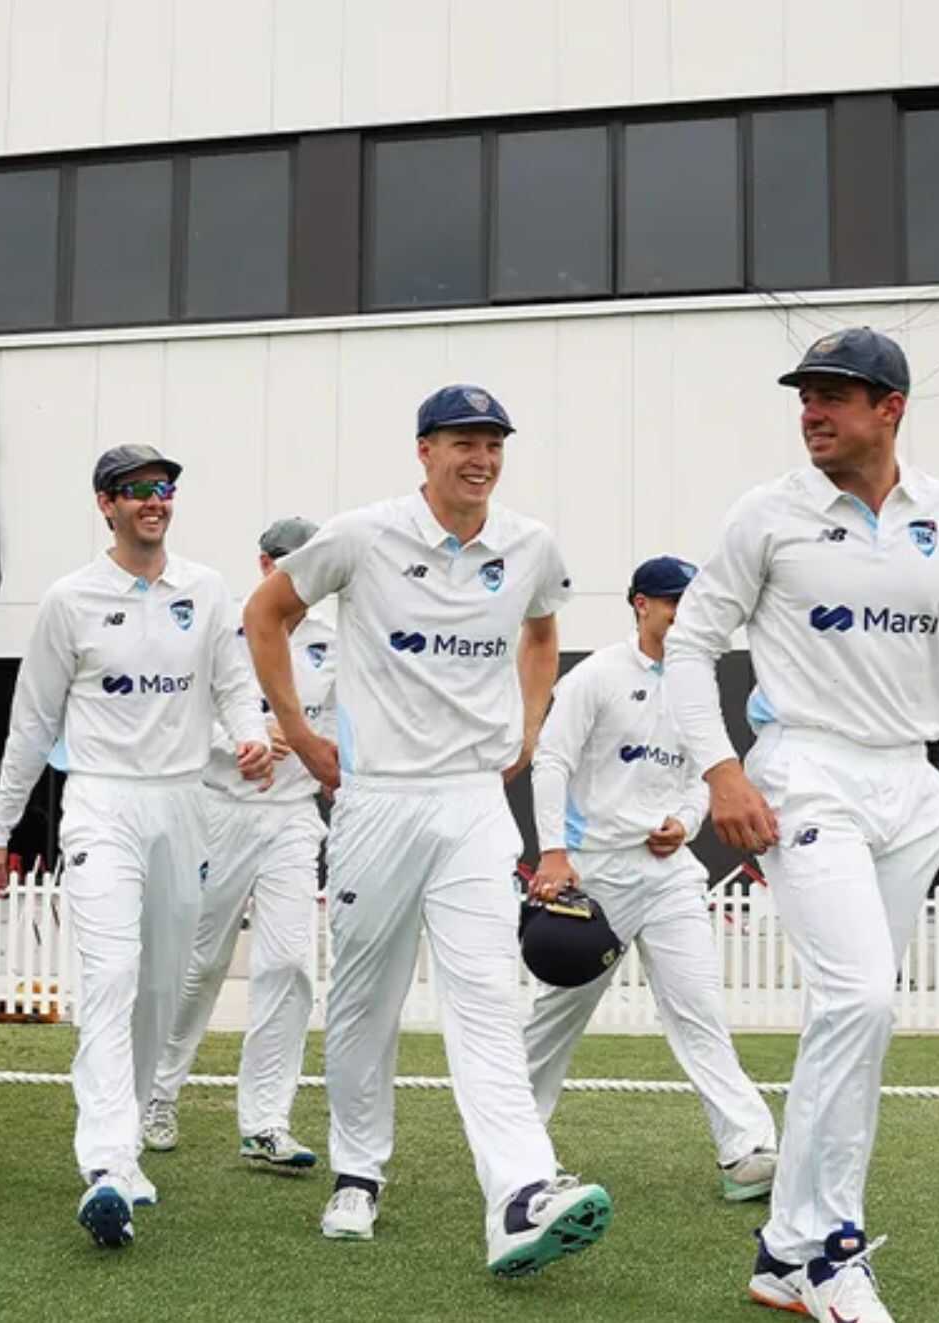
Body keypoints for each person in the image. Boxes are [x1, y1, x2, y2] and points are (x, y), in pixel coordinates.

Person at [242, 384, 611, 1279]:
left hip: (472, 803)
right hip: (377, 798)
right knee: (366, 997)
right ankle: (358, 1171)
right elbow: (266, 615)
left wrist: (528, 725)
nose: (479, 459)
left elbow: (542, 630)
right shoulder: (364, 535)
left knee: (484, 993)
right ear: (424, 451)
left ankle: (520, 1192)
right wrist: (297, 731)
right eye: (462, 443)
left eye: (492, 443)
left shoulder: (527, 545)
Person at [662, 328, 939, 1323]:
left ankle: (785, 1256)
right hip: (806, 772)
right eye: (805, 395)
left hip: (910, 788)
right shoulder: (769, 515)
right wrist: (722, 773)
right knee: (860, 1003)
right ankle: (823, 1250)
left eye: (835, 396)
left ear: (890, 408)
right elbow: (690, 647)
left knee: (852, 1021)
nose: (812, 411)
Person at [0, 443, 271, 1250]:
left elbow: (234, 684)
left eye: (164, 488)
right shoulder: (69, 601)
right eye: (137, 489)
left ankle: (130, 1140)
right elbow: (32, 723)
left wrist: (248, 735)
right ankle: (105, 1162)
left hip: (183, 804)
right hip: (100, 800)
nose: (154, 500)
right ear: (104, 504)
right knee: (109, 975)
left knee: (160, 985)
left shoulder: (205, 589)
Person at [523, 555, 778, 1200]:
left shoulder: (699, 686)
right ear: (641, 603)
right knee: (557, 1019)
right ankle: (515, 1149)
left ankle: (746, 1148)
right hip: (596, 874)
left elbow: (704, 776)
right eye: (673, 603)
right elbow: (551, 760)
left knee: (700, 1009)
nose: (683, 614)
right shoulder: (598, 676)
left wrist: (685, 823)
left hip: (667, 876)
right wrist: (553, 853)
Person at [143, 516, 335, 1170]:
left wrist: (315, 751)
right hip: (219, 809)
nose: (302, 578)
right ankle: (156, 1092)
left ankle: (266, 1120)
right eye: (289, 563)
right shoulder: (220, 631)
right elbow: (183, 719)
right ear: (264, 564)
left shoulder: (332, 643)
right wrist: (244, 743)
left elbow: (340, 730)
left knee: (289, 964)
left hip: (290, 816)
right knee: (197, 964)